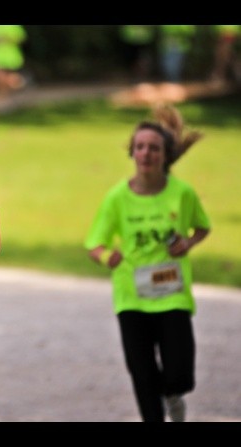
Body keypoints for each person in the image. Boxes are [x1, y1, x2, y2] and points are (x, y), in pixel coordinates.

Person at [84, 104, 211, 422]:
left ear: (166, 155)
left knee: (179, 374)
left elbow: (202, 227)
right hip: (132, 297)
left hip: (172, 294)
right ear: (132, 153)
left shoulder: (182, 194)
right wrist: (106, 256)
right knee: (142, 375)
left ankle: (174, 395)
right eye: (139, 147)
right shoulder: (117, 198)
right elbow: (93, 243)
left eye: (153, 148)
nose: (146, 153)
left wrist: (188, 242)